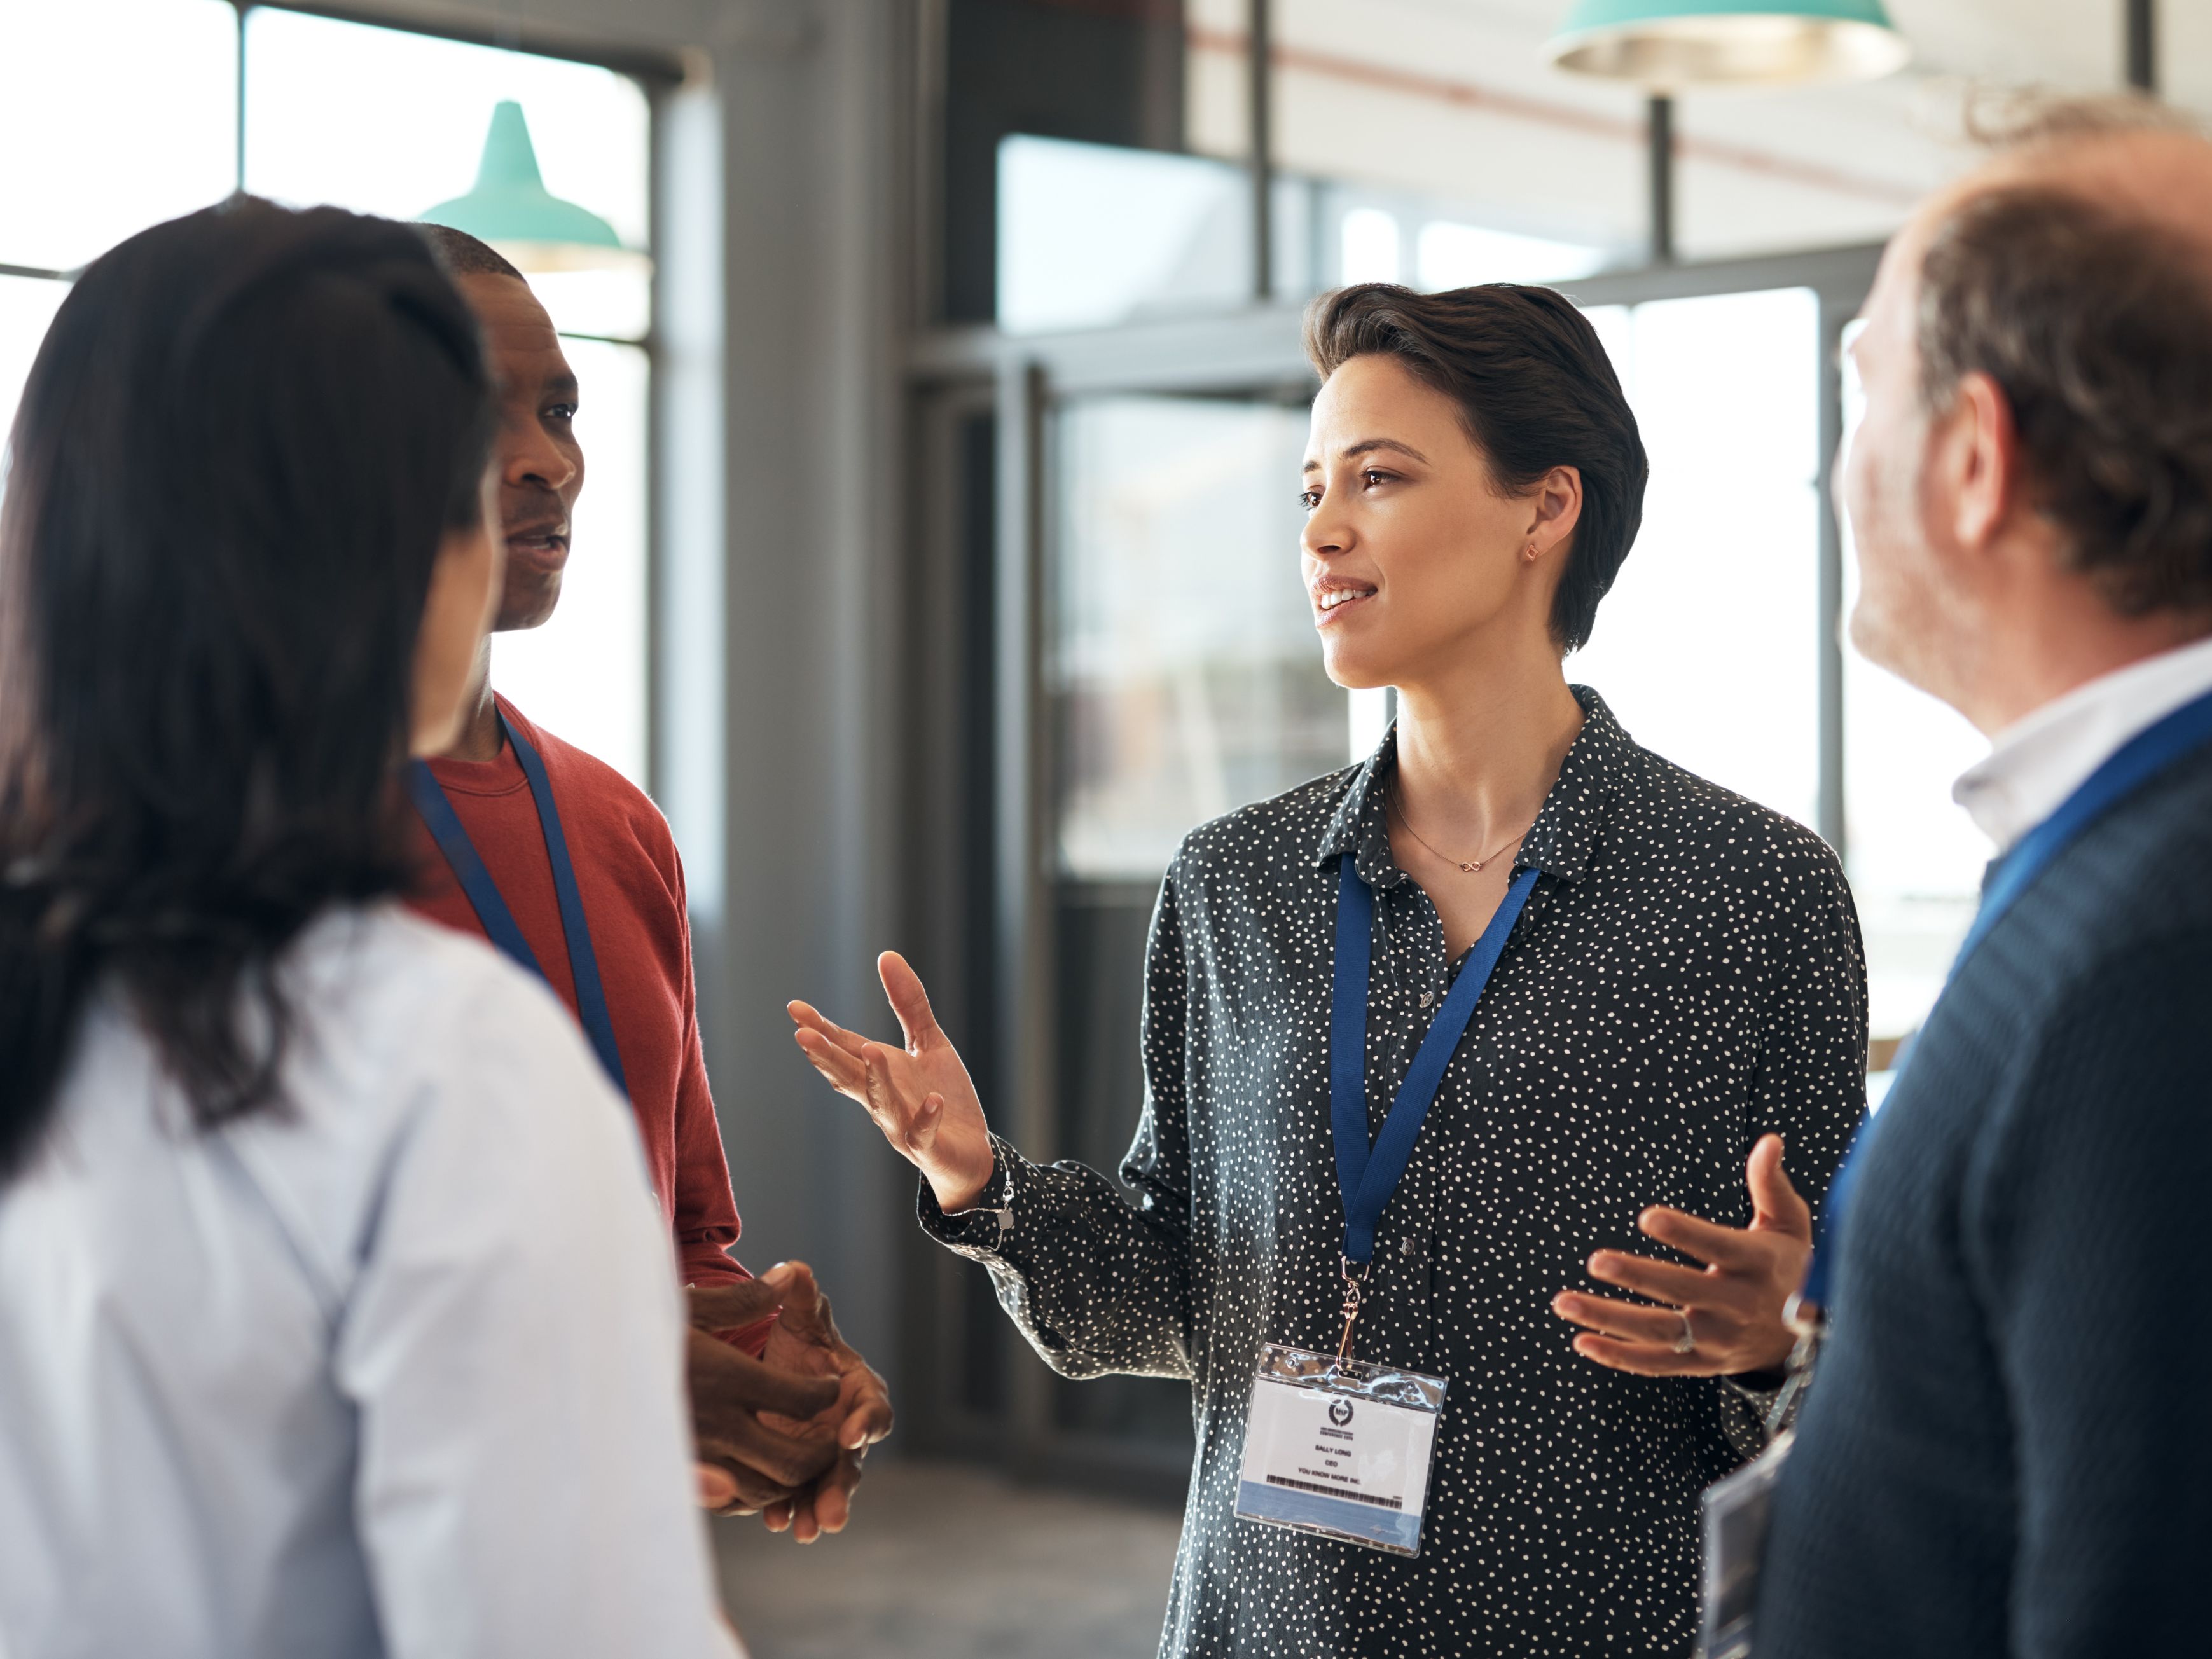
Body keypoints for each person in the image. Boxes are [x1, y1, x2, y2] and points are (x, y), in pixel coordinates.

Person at [791, 283, 1868, 1655]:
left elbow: (1856, 1340)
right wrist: (974, 1177)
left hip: (1606, 1622)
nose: (1320, 529)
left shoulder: (1749, 891)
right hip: (1271, 1621)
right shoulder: (1231, 886)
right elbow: (1171, 1294)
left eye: (1378, 478)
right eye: (1311, 488)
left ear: (1545, 508)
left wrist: (1788, 1329)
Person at [0, 200, 785, 1656]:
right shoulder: (429, 1053)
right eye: (444, 452)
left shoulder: (58, 979)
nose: (528, 476)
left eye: (559, 412)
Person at [1755, 102, 2212, 1658]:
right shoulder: (2122, 859)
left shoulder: (2148, 962)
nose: (1836, 462)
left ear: (1969, 460)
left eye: (1859, 385)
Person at [410, 225, 890, 1537]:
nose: (545, 460)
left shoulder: (612, 822)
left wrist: (766, 1377)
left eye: (560, 409)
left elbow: (678, 1239)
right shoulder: (211, 836)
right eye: (475, 411)